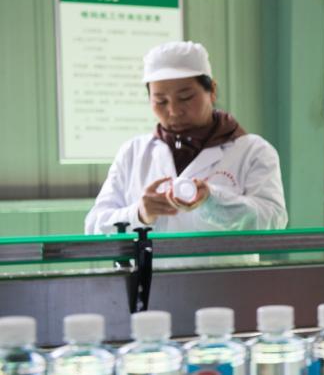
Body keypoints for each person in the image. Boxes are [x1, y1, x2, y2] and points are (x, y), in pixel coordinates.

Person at [85, 41, 287, 235]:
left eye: (185, 98)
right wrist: (139, 214)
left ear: (212, 90)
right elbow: (95, 226)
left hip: (224, 262)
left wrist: (214, 201)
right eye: (161, 101)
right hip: (150, 262)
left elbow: (274, 221)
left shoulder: (253, 151)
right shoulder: (132, 153)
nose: (174, 111)